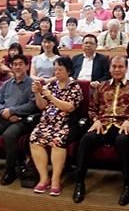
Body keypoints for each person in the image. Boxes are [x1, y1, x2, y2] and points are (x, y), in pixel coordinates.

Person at [72, 56, 129, 206]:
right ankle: (79, 183)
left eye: (120, 67)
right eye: (114, 67)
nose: (117, 70)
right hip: (102, 125)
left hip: (123, 125)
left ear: (126, 68)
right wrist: (96, 120)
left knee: (122, 140)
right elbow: (92, 109)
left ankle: (126, 185)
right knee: (86, 139)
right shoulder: (101, 87)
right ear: (110, 68)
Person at [0, 54, 40, 185]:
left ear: (27, 66)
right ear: (11, 67)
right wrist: (3, 112)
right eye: (14, 64)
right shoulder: (5, 84)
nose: (17, 67)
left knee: (9, 135)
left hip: (21, 119)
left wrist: (12, 111)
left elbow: (32, 105)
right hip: (3, 117)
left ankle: (10, 170)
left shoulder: (32, 84)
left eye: (20, 64)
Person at [29, 57, 82, 197]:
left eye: (60, 69)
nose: (57, 72)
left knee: (57, 140)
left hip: (65, 123)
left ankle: (55, 179)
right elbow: (42, 106)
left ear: (69, 71)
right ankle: (44, 177)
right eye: (55, 69)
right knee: (35, 138)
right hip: (47, 122)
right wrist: (37, 93)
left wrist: (51, 97)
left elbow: (69, 107)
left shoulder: (74, 86)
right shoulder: (51, 85)